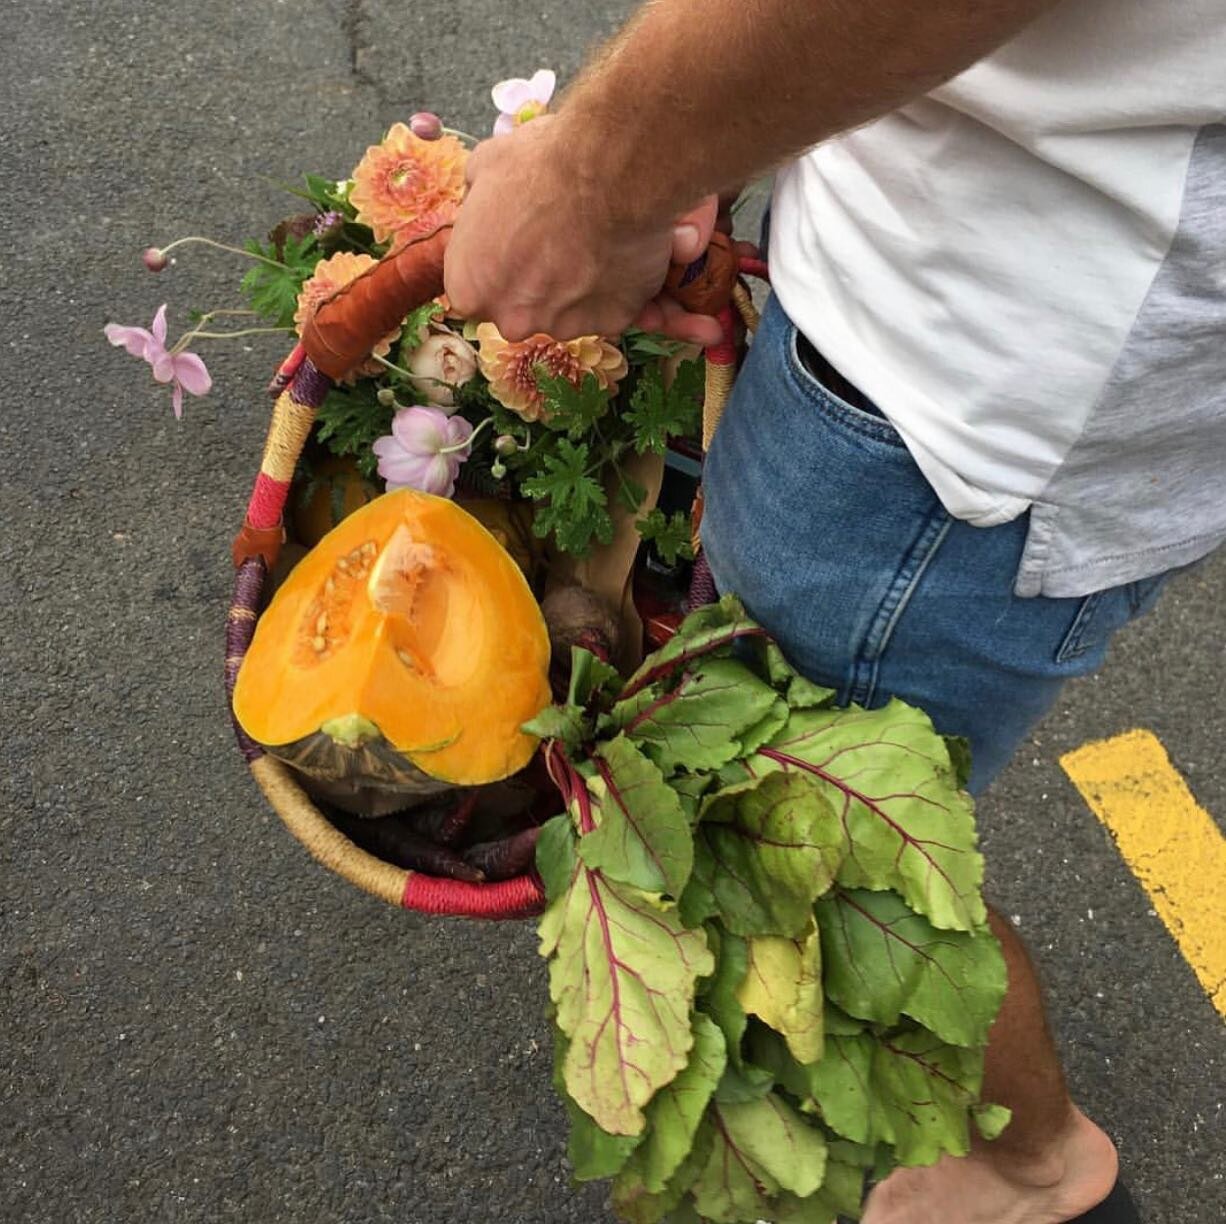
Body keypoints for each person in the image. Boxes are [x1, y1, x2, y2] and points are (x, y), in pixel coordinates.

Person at [443, 2, 1226, 1220]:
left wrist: (593, 182)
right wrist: (694, 142)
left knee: (820, 868)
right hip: (987, 320)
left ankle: (1033, 1171)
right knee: (794, 820)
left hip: (951, 398)